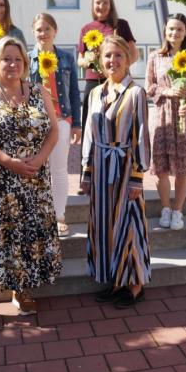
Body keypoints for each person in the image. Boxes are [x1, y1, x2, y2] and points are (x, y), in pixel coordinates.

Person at [0, 36, 62, 330]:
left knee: (28, 232)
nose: (12, 64)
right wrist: (9, 161)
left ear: (26, 63)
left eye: (18, 59)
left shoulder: (37, 91)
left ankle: (20, 290)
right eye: (6, 58)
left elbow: (53, 131)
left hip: (34, 178)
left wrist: (39, 159)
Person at [80, 35, 150, 309]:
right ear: (100, 60)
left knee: (129, 225)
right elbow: (88, 134)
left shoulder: (135, 93)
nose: (113, 60)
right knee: (104, 227)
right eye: (108, 56)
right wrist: (86, 172)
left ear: (128, 58)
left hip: (124, 168)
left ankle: (135, 284)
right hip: (100, 170)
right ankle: (115, 280)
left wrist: (137, 176)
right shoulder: (96, 93)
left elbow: (141, 135)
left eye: (118, 55)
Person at [146, 14, 186, 230]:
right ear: (165, 31)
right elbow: (150, 87)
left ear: (185, 33)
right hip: (163, 115)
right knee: (161, 166)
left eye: (180, 29)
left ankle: (178, 211)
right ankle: (165, 208)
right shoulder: (155, 56)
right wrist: (169, 90)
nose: (175, 33)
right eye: (171, 29)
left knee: (183, 166)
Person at [76, 0, 137, 195]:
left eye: (104, 2)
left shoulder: (121, 25)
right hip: (94, 84)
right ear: (92, 5)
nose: (101, 6)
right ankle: (86, 175)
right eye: (97, 2)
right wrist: (90, 59)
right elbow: (80, 59)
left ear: (111, 4)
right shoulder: (86, 28)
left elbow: (133, 54)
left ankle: (120, 172)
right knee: (90, 130)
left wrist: (119, 69)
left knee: (117, 129)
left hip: (118, 84)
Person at [27, 13, 81, 236]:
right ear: (33, 32)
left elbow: (74, 93)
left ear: (55, 31)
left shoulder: (67, 58)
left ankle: (59, 215)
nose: (43, 33)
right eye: (39, 29)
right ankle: (40, 214)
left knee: (58, 170)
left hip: (62, 120)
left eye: (47, 29)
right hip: (35, 122)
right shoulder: (27, 58)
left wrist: (77, 123)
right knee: (37, 169)